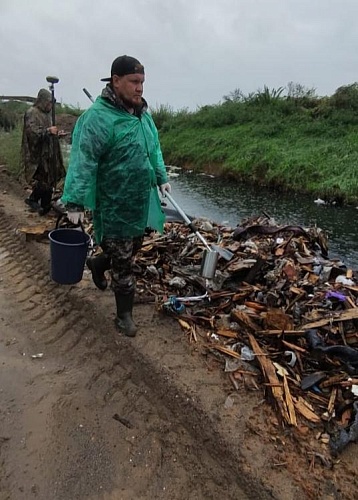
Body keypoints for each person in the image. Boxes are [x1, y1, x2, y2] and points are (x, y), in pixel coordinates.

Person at [61, 55, 171, 337]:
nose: (140, 88)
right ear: (116, 81)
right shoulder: (99, 118)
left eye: (142, 82)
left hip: (137, 202)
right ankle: (124, 316)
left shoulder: (143, 114)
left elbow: (153, 148)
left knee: (131, 247)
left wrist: (161, 177)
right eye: (134, 82)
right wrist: (73, 201)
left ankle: (99, 263)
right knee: (124, 263)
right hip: (112, 204)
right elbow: (83, 159)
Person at [21, 88, 66, 215]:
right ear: (42, 101)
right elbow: (32, 132)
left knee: (51, 176)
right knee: (42, 178)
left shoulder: (47, 115)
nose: (50, 106)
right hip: (38, 153)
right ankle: (33, 199)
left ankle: (45, 205)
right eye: (48, 103)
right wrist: (47, 131)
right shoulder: (32, 112)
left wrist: (56, 134)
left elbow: (49, 131)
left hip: (49, 152)